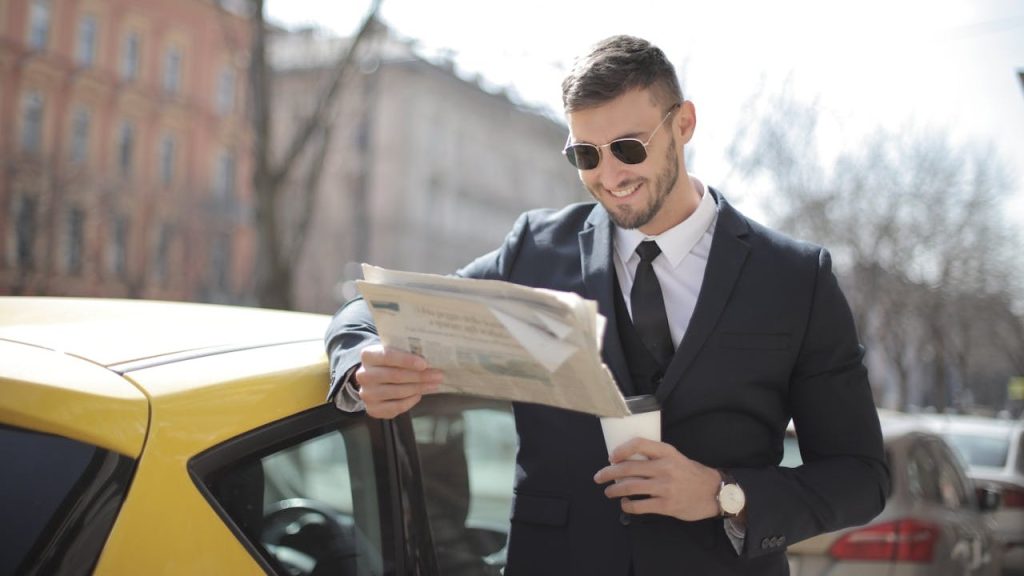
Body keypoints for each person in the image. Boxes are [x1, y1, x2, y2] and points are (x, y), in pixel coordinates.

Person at [325, 34, 888, 576]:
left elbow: (861, 476)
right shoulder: (534, 251)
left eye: (627, 148)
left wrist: (724, 493)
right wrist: (363, 360)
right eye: (586, 156)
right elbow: (372, 310)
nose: (610, 175)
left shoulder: (794, 278)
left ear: (684, 124)